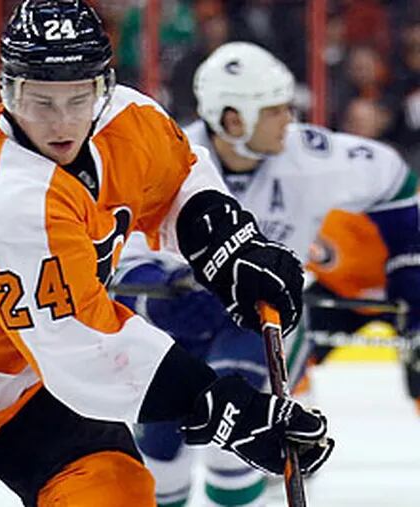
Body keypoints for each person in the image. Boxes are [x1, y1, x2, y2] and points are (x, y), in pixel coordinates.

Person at [0, 4, 333, 506]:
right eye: (41, 101)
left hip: (25, 377)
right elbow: (84, 347)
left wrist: (228, 246)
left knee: (113, 490)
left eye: (79, 98)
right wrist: (222, 407)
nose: (62, 123)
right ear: (8, 92)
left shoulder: (129, 119)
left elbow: (178, 177)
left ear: (104, 86)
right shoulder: (8, 195)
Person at [115, 41, 420, 507]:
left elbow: (396, 182)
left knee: (235, 447)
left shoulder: (312, 157)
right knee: (160, 458)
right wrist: (160, 295)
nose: (288, 120)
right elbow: (120, 257)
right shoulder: (167, 159)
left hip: (265, 323)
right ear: (232, 120)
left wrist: (408, 273)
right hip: (180, 327)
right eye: (274, 111)